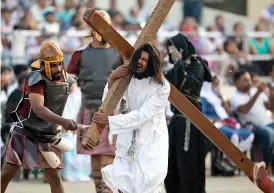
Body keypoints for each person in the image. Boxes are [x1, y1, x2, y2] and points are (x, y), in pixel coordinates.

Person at [1, 41, 86, 193]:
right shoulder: (35, 80)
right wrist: (64, 122)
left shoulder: (67, 79)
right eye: (53, 65)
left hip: (48, 134)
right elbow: (38, 108)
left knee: (54, 176)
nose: (58, 68)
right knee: (7, 173)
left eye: (60, 64)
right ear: (43, 65)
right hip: (25, 131)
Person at [93, 43, 171, 193]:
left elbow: (142, 116)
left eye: (145, 60)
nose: (140, 62)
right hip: (128, 140)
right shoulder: (129, 79)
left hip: (150, 142)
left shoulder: (161, 87)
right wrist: (112, 79)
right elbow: (110, 104)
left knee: (146, 184)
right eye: (139, 58)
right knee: (121, 183)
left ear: (152, 64)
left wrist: (109, 121)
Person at [66, 10, 123, 193]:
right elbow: (67, 80)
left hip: (112, 111)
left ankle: (107, 190)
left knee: (108, 154)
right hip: (89, 108)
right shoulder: (80, 54)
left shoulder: (119, 52)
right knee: (95, 154)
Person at [164, 33, 212, 193]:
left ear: (181, 48)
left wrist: (178, 62)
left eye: (172, 49)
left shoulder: (196, 63)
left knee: (187, 165)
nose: (170, 53)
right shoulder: (177, 67)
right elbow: (166, 84)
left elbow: (187, 85)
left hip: (190, 120)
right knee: (171, 165)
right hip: (176, 122)